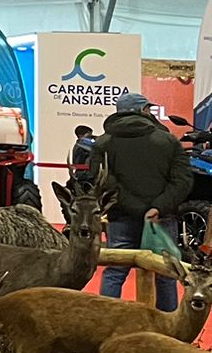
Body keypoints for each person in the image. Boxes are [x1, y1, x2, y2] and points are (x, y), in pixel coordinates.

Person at [94, 92, 191, 310]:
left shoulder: (104, 143)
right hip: (161, 219)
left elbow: (101, 180)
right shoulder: (167, 140)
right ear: (142, 110)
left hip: (122, 217)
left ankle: (105, 321)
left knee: (115, 272)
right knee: (166, 274)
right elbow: (183, 180)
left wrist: (132, 206)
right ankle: (169, 330)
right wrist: (157, 207)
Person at [66, 122, 98, 187]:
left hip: (82, 174)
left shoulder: (79, 145)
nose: (91, 137)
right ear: (80, 136)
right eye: (89, 135)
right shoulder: (82, 143)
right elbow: (95, 145)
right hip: (84, 175)